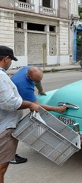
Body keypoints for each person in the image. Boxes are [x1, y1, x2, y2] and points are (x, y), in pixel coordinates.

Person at [9, 66, 67, 164]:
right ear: (29, 77)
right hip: (9, 106)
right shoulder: (25, 87)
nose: (38, 81)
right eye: (35, 80)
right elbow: (36, 106)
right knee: (10, 130)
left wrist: (41, 90)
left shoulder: (29, 69)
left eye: (40, 78)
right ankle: (10, 157)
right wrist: (57, 109)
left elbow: (37, 81)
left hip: (11, 99)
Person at [0, 46, 39, 182]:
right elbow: (10, 103)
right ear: (6, 59)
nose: (11, 64)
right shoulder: (1, 76)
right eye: (11, 60)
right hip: (4, 127)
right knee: (2, 166)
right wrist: (30, 104)